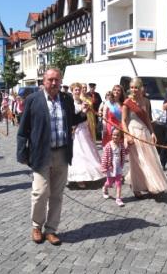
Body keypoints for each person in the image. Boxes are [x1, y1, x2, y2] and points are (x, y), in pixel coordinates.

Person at [17, 68, 87, 245]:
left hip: (62, 152)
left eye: (57, 80)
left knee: (56, 194)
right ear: (44, 81)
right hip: (41, 153)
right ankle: (36, 226)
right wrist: (22, 153)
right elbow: (23, 129)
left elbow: (71, 120)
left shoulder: (66, 99)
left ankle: (51, 230)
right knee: (40, 192)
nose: (54, 83)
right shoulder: (33, 100)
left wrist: (83, 114)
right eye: (50, 80)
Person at [122, 77, 167, 197]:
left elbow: (148, 120)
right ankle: (136, 187)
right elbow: (123, 121)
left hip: (145, 133)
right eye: (132, 87)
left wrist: (153, 133)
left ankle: (150, 185)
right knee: (138, 162)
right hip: (133, 134)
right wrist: (127, 136)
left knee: (150, 161)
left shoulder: (146, 101)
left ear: (141, 89)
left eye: (136, 88)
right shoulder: (127, 103)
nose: (134, 90)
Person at [67, 82, 104, 188]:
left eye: (79, 89)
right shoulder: (70, 103)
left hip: (84, 129)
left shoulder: (84, 101)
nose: (78, 91)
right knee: (78, 154)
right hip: (76, 131)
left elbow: (89, 115)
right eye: (76, 90)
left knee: (89, 152)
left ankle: (89, 175)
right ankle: (79, 178)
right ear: (72, 91)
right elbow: (72, 118)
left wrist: (88, 111)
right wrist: (83, 112)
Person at [100, 128, 129, 207]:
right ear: (111, 135)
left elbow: (125, 152)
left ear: (120, 137)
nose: (115, 137)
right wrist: (104, 167)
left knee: (118, 183)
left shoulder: (121, 145)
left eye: (117, 135)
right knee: (109, 183)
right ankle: (105, 188)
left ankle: (118, 198)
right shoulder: (108, 146)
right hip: (110, 167)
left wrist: (128, 145)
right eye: (114, 135)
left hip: (118, 166)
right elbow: (104, 157)